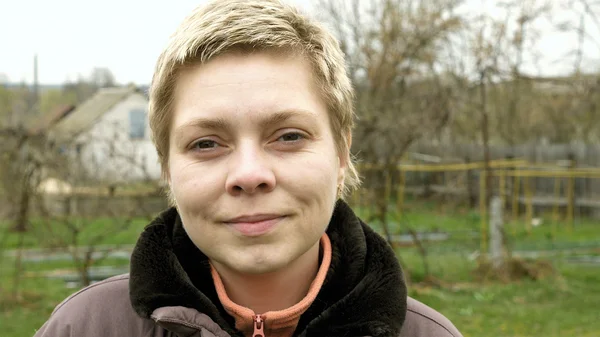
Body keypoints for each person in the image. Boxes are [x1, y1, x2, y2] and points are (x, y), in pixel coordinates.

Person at [34, 1, 463, 336]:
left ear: (341, 153)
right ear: (167, 168)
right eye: (206, 143)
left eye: (289, 136)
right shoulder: (84, 328)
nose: (249, 173)